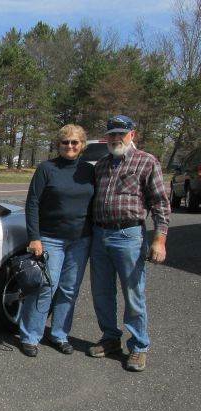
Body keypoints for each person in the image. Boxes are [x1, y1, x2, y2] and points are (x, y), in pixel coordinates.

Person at [88, 115, 169, 372]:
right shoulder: (100, 165)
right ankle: (110, 338)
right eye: (111, 133)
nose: (116, 138)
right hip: (100, 236)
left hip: (129, 236)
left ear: (132, 134)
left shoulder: (146, 161)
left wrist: (159, 240)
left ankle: (138, 346)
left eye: (121, 133)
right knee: (101, 292)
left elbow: (160, 203)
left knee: (133, 293)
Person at [19, 124, 94, 357]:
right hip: (51, 239)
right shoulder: (46, 169)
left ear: (82, 145)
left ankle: (59, 334)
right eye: (65, 142)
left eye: (75, 142)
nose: (70, 146)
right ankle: (30, 335)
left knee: (69, 289)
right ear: (58, 144)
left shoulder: (88, 171)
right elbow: (32, 203)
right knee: (45, 288)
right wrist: (35, 237)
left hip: (80, 240)